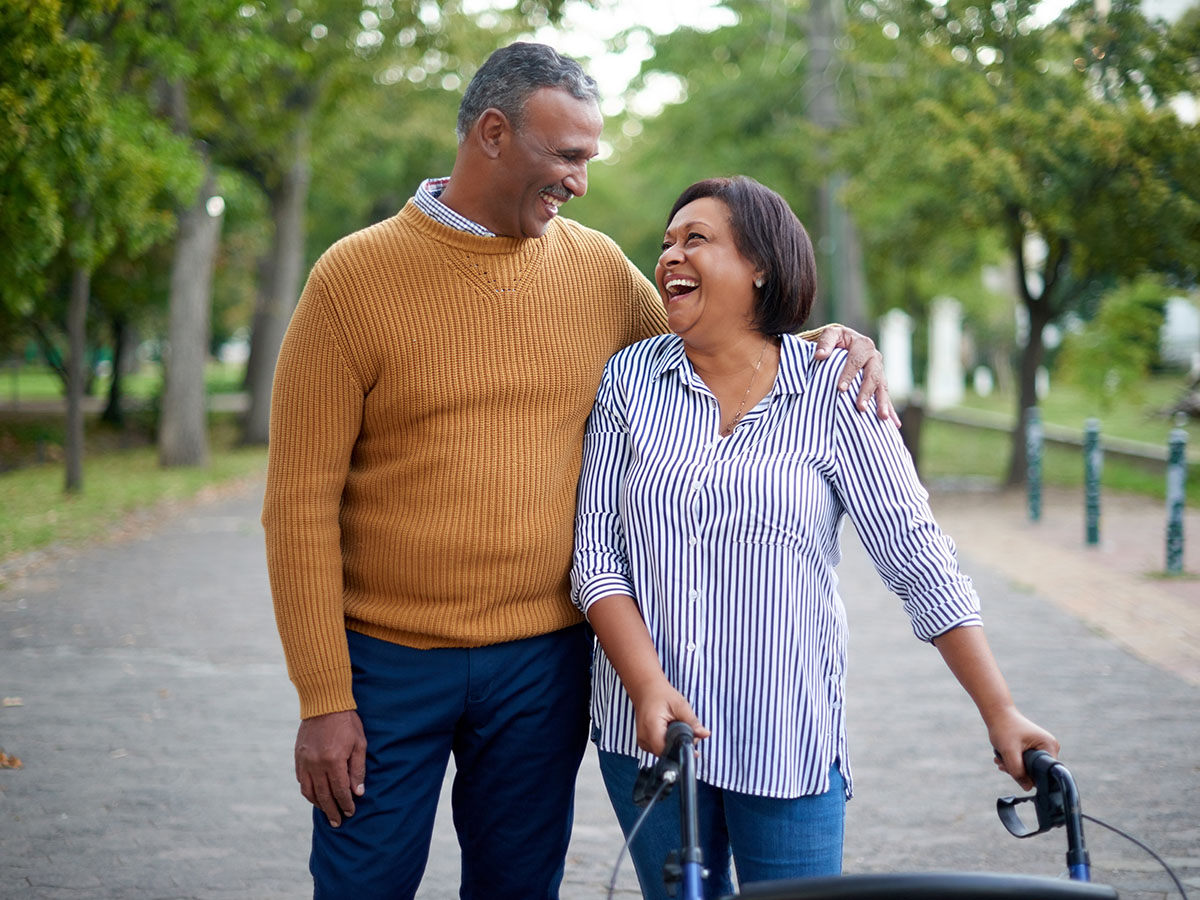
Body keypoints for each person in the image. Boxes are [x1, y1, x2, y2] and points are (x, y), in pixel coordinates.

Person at [261, 44, 892, 900]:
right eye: (567, 157)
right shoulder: (351, 279)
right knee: (361, 885)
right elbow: (297, 506)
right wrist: (322, 696)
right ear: (492, 134)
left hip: (542, 665)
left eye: (589, 160)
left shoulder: (595, 271)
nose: (580, 183)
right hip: (386, 664)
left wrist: (826, 344)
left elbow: (712, 337)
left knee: (520, 889)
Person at [571, 175, 1059, 900]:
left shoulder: (837, 387)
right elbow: (596, 557)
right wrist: (647, 687)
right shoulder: (629, 380)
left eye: (695, 239)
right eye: (667, 242)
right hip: (646, 734)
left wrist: (1000, 711)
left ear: (761, 265)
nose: (670, 255)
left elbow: (917, 558)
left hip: (784, 734)